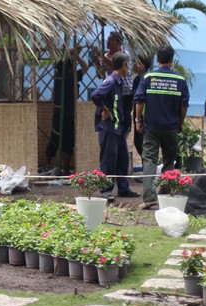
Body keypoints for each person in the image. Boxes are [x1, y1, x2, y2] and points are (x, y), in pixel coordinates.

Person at [134, 45, 190, 206]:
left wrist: (138, 120)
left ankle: (149, 197)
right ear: (172, 60)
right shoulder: (180, 79)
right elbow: (184, 105)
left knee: (149, 160)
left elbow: (139, 100)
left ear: (157, 59)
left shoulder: (148, 77)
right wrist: (180, 122)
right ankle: (164, 194)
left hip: (151, 127)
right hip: (171, 127)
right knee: (169, 161)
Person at [90, 52, 140, 199]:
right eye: (128, 64)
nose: (129, 67)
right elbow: (95, 95)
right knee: (108, 160)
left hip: (117, 128)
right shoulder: (111, 81)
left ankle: (123, 189)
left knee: (123, 158)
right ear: (124, 65)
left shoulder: (119, 81)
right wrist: (105, 109)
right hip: (108, 128)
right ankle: (106, 191)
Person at [45, 46, 89, 174]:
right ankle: (65, 167)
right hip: (69, 112)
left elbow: (60, 59)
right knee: (68, 141)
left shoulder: (59, 76)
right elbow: (85, 67)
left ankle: (48, 162)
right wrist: (77, 56)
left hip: (58, 112)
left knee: (55, 137)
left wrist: (71, 53)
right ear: (70, 69)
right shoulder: (72, 77)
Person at [94, 31, 134, 134]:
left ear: (119, 42)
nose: (108, 41)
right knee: (116, 116)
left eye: (111, 40)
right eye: (108, 39)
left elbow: (116, 65)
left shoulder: (124, 54)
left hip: (126, 91)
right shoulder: (106, 55)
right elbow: (99, 75)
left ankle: (123, 136)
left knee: (125, 117)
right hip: (114, 92)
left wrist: (102, 57)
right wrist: (98, 62)